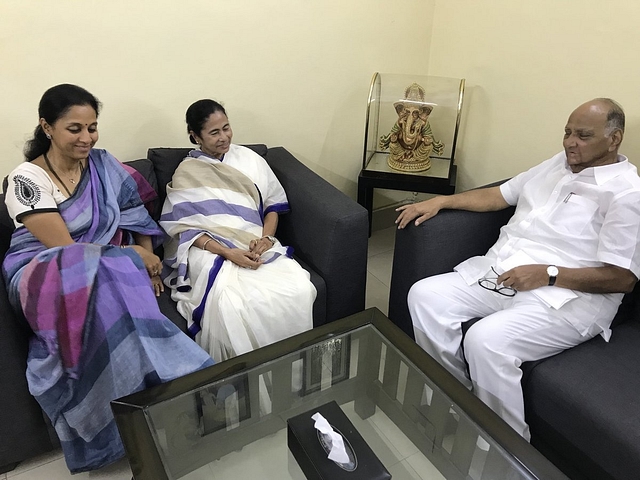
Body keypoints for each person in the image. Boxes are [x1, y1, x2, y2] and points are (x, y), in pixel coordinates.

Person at [395, 98, 640, 440]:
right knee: (424, 296)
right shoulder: (558, 163)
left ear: (614, 139)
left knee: (485, 341)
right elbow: (499, 195)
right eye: (567, 133)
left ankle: (505, 452)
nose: (571, 142)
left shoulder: (626, 193)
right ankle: (455, 405)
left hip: (567, 298)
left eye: (583, 135)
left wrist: (548, 273)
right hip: (502, 274)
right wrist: (442, 201)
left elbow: (623, 279)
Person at [2, 84, 213, 473]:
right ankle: (172, 393)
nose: (87, 138)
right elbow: (66, 251)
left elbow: (134, 214)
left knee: (112, 297)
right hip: (44, 270)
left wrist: (147, 259)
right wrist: (133, 257)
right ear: (47, 127)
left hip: (102, 265)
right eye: (75, 128)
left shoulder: (101, 164)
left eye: (93, 127)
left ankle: (152, 411)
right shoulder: (26, 178)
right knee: (99, 277)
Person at [160, 99, 316, 363]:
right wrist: (229, 253)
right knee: (230, 303)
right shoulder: (187, 171)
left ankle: (288, 367)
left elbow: (271, 206)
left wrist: (266, 238)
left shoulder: (250, 159)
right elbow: (184, 229)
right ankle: (246, 378)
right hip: (209, 248)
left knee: (299, 287)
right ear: (195, 136)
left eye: (227, 128)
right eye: (214, 132)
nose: (224, 137)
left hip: (253, 240)